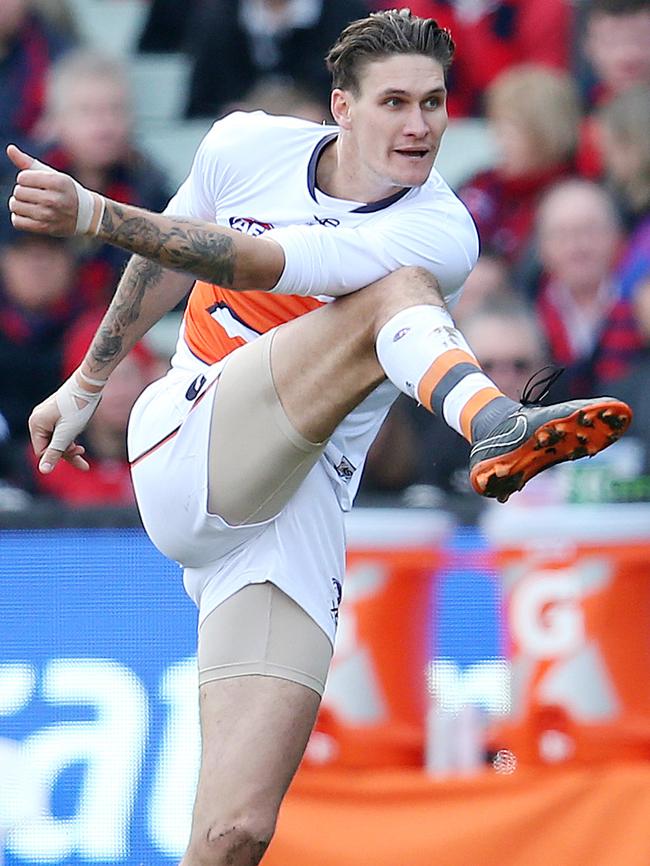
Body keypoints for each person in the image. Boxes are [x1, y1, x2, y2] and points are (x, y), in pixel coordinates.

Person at [6, 10, 632, 865]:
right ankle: (497, 426)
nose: (419, 126)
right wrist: (85, 383)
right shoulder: (244, 145)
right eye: (395, 102)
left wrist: (93, 213)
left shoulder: (443, 225)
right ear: (341, 106)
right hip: (191, 434)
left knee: (235, 833)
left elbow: (254, 263)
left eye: (437, 103)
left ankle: (501, 430)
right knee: (392, 292)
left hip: (294, 505)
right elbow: (175, 258)